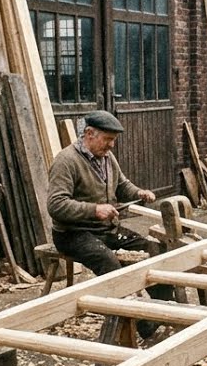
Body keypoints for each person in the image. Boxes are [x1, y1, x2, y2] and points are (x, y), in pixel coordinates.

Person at [47, 110, 173, 338]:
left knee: (154, 250)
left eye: (113, 140)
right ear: (89, 134)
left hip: (106, 230)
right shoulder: (66, 161)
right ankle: (143, 326)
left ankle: (162, 312)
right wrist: (94, 210)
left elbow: (122, 186)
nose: (112, 145)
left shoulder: (106, 157)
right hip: (73, 234)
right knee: (109, 263)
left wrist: (139, 192)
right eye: (108, 139)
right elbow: (56, 205)